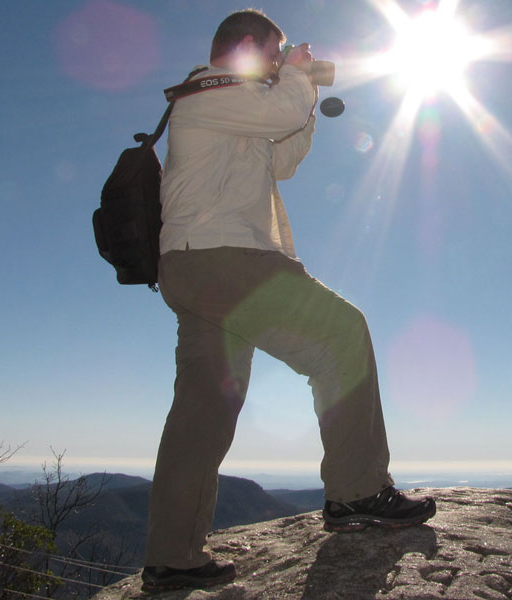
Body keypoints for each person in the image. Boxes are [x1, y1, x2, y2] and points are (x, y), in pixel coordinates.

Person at [142, 9, 436, 592]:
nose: (280, 61)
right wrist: (297, 76)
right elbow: (279, 111)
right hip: (223, 257)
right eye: (276, 52)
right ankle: (357, 493)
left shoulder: (232, 106)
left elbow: (282, 161)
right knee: (342, 333)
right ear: (250, 46)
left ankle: (172, 557)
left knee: (203, 412)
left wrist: (307, 101)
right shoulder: (210, 89)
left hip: (196, 267)